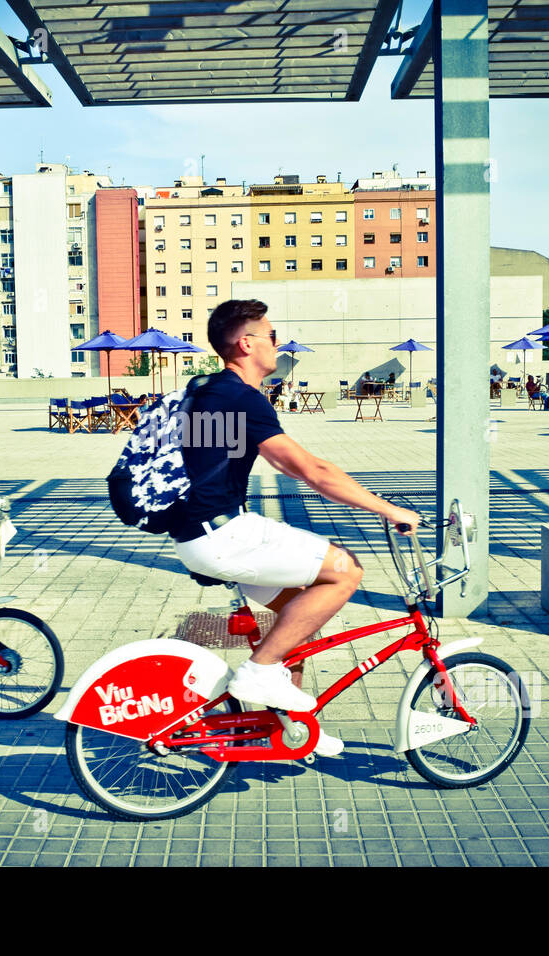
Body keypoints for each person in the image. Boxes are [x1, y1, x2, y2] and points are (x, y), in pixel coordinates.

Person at [171, 300, 421, 758]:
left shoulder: (207, 389)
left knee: (299, 622)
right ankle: (258, 672)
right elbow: (312, 471)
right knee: (346, 571)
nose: (278, 343)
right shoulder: (239, 396)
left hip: (198, 534)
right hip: (223, 534)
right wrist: (387, 509)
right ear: (246, 344)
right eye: (271, 336)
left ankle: (293, 728)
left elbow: (251, 459)